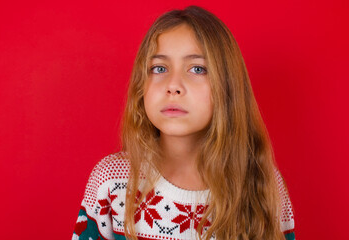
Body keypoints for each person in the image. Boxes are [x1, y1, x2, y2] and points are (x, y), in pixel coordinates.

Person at [72, 5, 295, 240]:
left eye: (197, 69)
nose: (173, 86)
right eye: (159, 68)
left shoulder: (260, 183)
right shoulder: (112, 180)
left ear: (227, 86)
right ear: (141, 86)